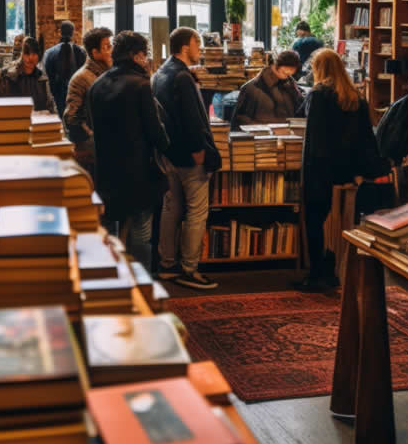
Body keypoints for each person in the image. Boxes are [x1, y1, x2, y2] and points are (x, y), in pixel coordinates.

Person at [298, 49, 388, 290]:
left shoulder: (319, 95)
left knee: (314, 220)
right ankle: (337, 267)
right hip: (347, 171)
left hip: (321, 170)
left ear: (319, 69)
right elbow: (365, 138)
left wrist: (308, 172)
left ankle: (317, 273)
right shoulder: (355, 97)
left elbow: (315, 139)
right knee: (342, 221)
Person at [86, 31, 170, 268]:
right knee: (142, 231)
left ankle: (116, 280)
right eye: (144, 55)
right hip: (138, 171)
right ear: (135, 55)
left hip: (107, 169)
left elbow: (92, 125)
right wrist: (166, 145)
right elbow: (155, 131)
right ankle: (141, 282)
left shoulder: (97, 85)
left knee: (114, 230)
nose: (145, 60)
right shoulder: (141, 85)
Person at [152, 27, 222, 290]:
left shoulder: (159, 73)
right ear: (184, 47)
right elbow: (192, 118)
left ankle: (167, 265)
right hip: (190, 157)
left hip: (168, 154)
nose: (200, 49)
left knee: (171, 208)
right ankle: (190, 270)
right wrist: (199, 149)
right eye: (197, 43)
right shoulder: (181, 76)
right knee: (196, 212)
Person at [63, 26, 112, 176]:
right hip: (92, 151)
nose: (112, 50)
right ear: (95, 52)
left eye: (111, 46)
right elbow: (71, 117)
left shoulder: (109, 73)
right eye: (107, 47)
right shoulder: (81, 78)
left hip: (108, 148)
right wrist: (92, 139)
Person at [232, 50, 305, 126]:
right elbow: (240, 121)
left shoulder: (291, 86)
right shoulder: (251, 89)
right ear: (275, 65)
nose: (287, 76)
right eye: (284, 72)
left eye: (290, 74)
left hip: (288, 134)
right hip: (262, 135)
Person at [0, 35, 57, 113]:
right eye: (27, 53)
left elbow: (50, 106)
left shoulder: (42, 78)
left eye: (34, 53)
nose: (31, 57)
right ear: (21, 54)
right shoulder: (8, 75)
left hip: (37, 122)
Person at [41, 20, 86, 116]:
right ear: (73, 32)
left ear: (59, 32)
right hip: (75, 96)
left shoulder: (49, 53)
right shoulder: (81, 52)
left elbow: (47, 77)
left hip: (56, 95)